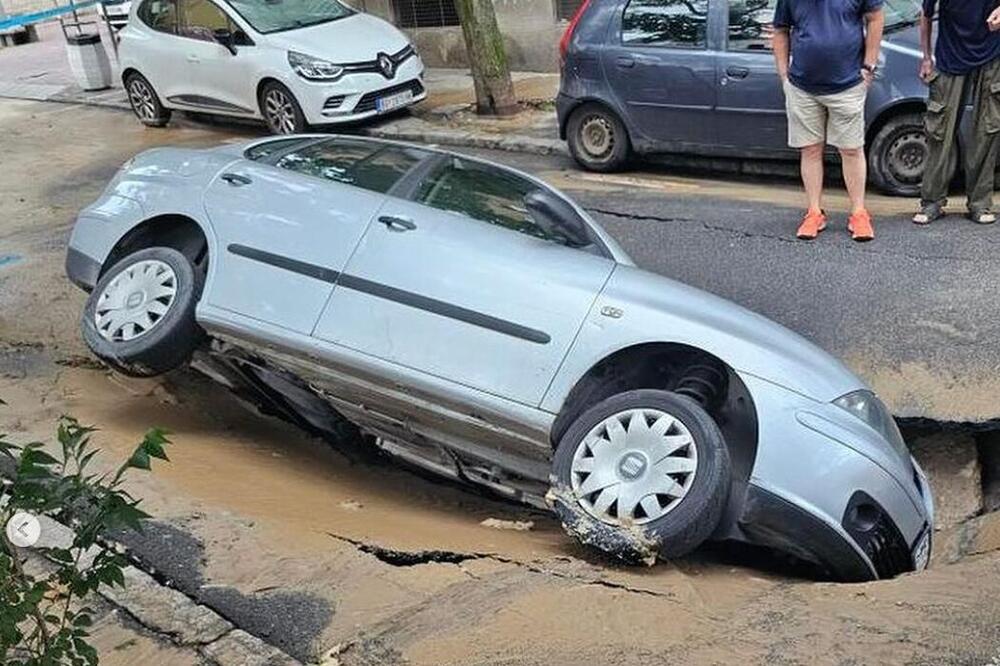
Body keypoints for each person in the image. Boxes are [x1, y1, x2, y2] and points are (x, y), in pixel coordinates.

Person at [772, 0, 885, 242]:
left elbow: (875, 17)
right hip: (802, 86)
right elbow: (780, 31)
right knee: (810, 149)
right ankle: (814, 212)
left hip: (848, 85)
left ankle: (858, 213)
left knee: (851, 150)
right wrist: (784, 76)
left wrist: (869, 65)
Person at [913, 1, 1000, 225]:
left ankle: (979, 204)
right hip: (950, 58)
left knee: (986, 131)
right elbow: (926, 14)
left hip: (991, 58)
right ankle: (932, 202)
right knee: (939, 132)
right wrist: (926, 58)